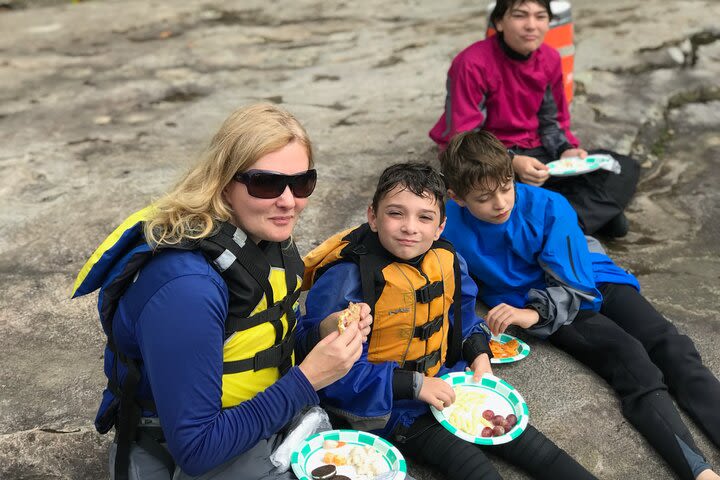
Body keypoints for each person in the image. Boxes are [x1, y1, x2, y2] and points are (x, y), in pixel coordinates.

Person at [71, 103, 373, 480]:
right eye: (266, 182)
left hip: (253, 418)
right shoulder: (186, 290)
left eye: (302, 182)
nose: (289, 201)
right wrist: (307, 380)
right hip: (182, 453)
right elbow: (198, 450)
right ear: (225, 181)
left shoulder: (261, 235)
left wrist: (322, 333)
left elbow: (255, 344)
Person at [439, 129, 720, 480]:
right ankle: (699, 471)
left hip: (584, 279)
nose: (500, 204)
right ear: (458, 198)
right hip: (534, 299)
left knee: (670, 344)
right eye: (483, 198)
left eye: (506, 187)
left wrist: (532, 314)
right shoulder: (446, 224)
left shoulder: (549, 206)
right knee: (629, 357)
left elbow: (578, 286)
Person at [297, 162, 597, 480]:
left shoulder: (448, 262)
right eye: (395, 213)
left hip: (450, 384)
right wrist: (415, 385)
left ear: (441, 226)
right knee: (477, 470)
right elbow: (327, 370)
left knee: (537, 450)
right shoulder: (345, 279)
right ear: (373, 216)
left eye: (425, 217)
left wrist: (480, 357)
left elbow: (465, 320)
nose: (410, 227)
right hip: (391, 408)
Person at [429, 0, 640, 237]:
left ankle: (568, 222)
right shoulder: (472, 63)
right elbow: (465, 138)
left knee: (623, 166)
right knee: (492, 196)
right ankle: (587, 215)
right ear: (499, 22)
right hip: (490, 159)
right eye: (520, 16)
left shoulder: (549, 58)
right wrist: (512, 161)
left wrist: (565, 150)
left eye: (540, 17)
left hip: (537, 152)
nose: (532, 26)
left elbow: (552, 120)